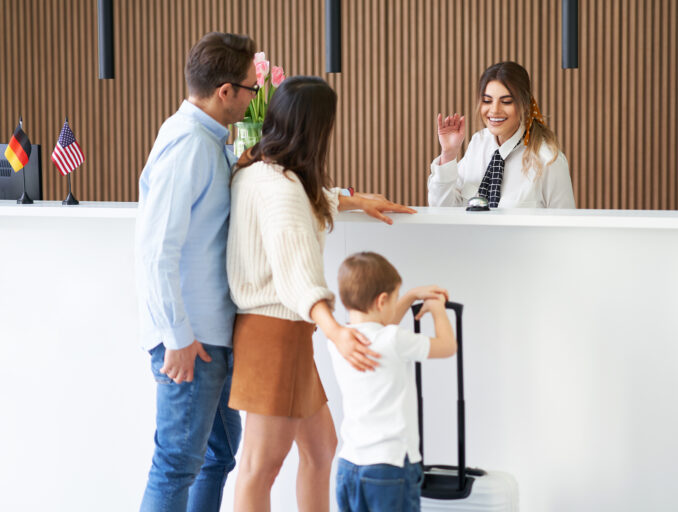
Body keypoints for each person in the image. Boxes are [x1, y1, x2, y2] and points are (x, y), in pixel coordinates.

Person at [226, 76, 417, 511]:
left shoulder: (260, 171)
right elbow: (298, 275)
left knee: (321, 448)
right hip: (274, 335)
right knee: (261, 466)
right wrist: (336, 330)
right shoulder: (281, 189)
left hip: (282, 334)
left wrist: (353, 199)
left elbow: (306, 202)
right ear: (314, 129)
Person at [135, 32, 259, 512]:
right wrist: (177, 337)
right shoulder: (188, 143)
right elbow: (155, 251)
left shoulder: (208, 142)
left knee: (218, 455)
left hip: (212, 338)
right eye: (250, 89)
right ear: (225, 91)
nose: (252, 99)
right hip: (191, 342)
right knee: (176, 466)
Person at [330, 252, 457, 512]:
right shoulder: (394, 340)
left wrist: (410, 295)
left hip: (349, 466)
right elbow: (447, 347)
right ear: (382, 300)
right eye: (396, 298)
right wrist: (436, 310)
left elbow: (382, 324)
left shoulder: (341, 342)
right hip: (390, 467)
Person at [428, 61, 575, 209]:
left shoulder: (548, 160)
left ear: (524, 104)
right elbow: (443, 209)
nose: (494, 110)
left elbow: (566, 226)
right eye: (487, 101)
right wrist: (448, 155)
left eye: (506, 102)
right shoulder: (478, 143)